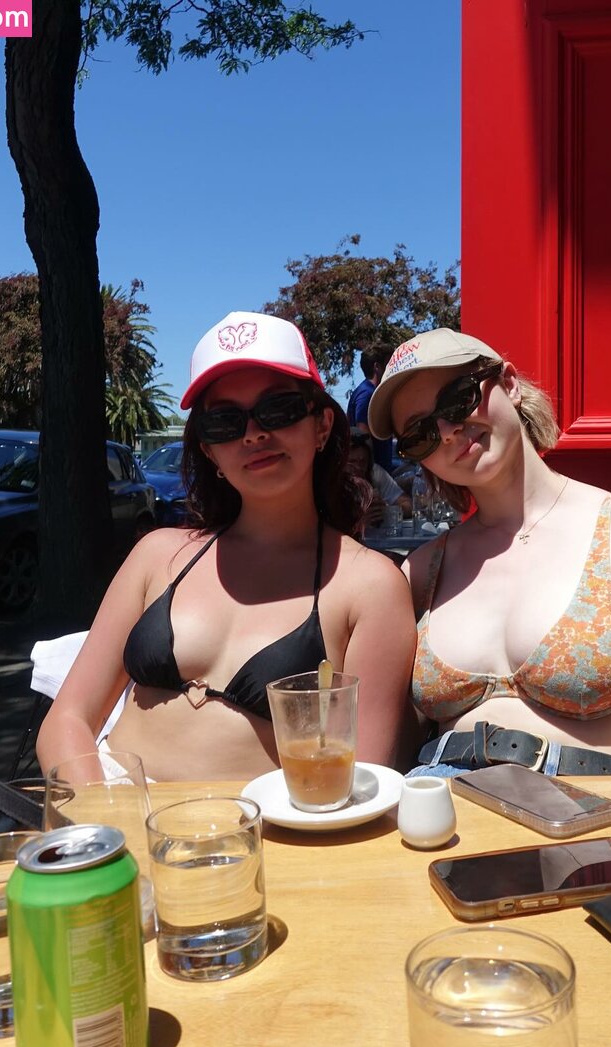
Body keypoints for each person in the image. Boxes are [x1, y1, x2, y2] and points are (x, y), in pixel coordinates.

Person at [367, 327, 611, 804]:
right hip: (439, 815)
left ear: (509, 384)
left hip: (594, 815)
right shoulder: (421, 571)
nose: (446, 431)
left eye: (457, 399)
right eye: (420, 434)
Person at [36, 311, 416, 782]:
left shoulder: (370, 585)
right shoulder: (158, 555)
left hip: (271, 822)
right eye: (224, 421)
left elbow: (364, 780)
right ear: (208, 449)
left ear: (321, 426)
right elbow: (67, 721)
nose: (253, 433)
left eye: (278, 409)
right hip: (112, 806)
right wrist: (106, 815)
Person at [347, 343, 395, 471]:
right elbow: (363, 432)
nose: (392, 369)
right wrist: (371, 472)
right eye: (389, 364)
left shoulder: (369, 392)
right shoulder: (367, 394)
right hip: (375, 472)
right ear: (377, 367)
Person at [347, 432, 411, 526]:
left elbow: (408, 504)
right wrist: (358, 520)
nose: (358, 467)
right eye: (352, 462)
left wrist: (387, 510)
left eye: (363, 461)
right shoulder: (330, 481)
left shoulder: (375, 473)